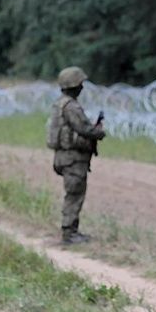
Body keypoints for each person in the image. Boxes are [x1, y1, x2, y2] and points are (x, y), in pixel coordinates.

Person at [46, 66, 105, 245]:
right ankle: (69, 233)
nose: (82, 87)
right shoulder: (71, 107)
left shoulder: (59, 104)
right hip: (73, 158)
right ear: (74, 86)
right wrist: (99, 132)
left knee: (73, 192)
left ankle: (70, 230)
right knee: (74, 194)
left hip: (63, 157)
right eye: (80, 84)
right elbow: (84, 129)